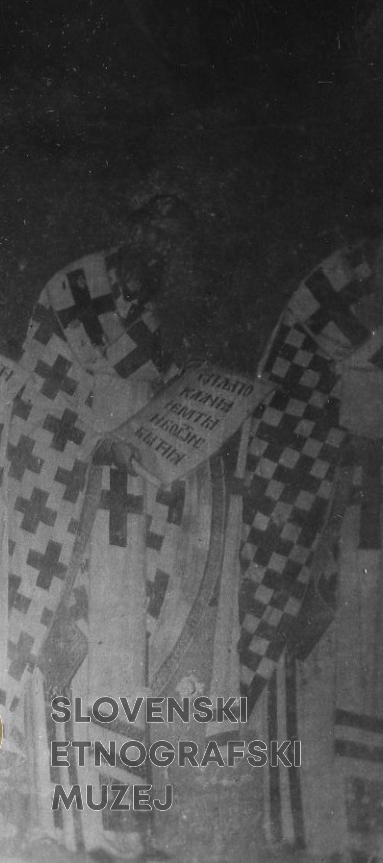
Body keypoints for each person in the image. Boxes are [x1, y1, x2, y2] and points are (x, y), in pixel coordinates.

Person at [0, 195, 228, 858]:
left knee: (124, 658)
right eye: (156, 234)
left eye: (175, 243)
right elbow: (38, 404)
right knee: (76, 651)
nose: (163, 253)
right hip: (70, 512)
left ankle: (121, 832)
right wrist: (98, 444)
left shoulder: (154, 317)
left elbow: (162, 402)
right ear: (132, 230)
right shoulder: (71, 293)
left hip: (131, 514)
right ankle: (71, 831)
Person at [235, 231, 383, 859]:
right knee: (335, 678)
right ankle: (330, 835)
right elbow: (355, 451)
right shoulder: (349, 329)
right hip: (349, 535)